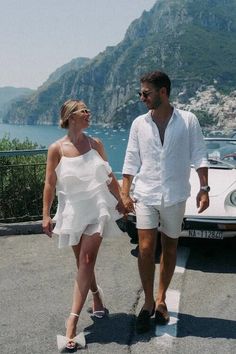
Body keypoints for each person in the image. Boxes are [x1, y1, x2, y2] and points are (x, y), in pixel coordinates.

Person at [121, 71, 209, 334]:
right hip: (146, 193)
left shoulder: (188, 120)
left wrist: (204, 188)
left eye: (146, 93)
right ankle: (147, 303)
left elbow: (200, 154)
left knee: (170, 246)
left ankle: (161, 300)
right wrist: (125, 192)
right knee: (146, 248)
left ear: (163, 92)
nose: (142, 98)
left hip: (175, 193)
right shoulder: (139, 123)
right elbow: (131, 159)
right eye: (141, 93)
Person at [42, 99, 125, 350]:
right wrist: (46, 214)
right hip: (72, 212)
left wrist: (121, 200)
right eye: (84, 111)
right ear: (70, 116)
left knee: (87, 260)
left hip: (97, 209)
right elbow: (49, 183)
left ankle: (72, 323)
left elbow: (109, 176)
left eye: (89, 109)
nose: (89, 113)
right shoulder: (56, 148)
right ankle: (97, 297)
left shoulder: (95, 143)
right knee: (82, 263)